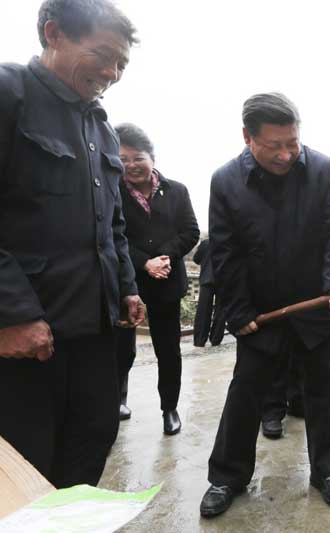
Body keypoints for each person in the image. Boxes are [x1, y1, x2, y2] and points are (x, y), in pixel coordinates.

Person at [0, 0, 144, 488]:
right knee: (25, 461)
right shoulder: (8, 93)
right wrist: (13, 314)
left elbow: (113, 226)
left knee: (93, 438)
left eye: (121, 63)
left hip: (95, 332)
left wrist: (126, 286)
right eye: (102, 54)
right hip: (24, 340)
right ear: (54, 32)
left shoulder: (99, 126)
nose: (112, 71)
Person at [200, 93, 330, 517]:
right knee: (246, 392)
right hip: (261, 313)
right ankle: (227, 476)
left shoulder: (323, 170)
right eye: (275, 146)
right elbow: (226, 252)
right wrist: (238, 311)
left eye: (293, 143)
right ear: (248, 138)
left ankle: (327, 470)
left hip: (317, 306)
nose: (288, 154)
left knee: (323, 391)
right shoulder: (226, 180)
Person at [114, 123, 199, 433]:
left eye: (138, 157)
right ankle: (117, 402)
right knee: (122, 348)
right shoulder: (112, 190)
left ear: (152, 157)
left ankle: (169, 409)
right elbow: (113, 235)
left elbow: (189, 231)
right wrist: (143, 262)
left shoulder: (176, 190)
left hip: (166, 281)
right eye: (123, 159)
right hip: (127, 283)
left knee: (168, 349)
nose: (131, 165)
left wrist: (164, 257)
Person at [193, 239, 226, 348]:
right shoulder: (227, 243)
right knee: (221, 311)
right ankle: (216, 339)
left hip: (207, 279)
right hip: (223, 280)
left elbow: (196, 259)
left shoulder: (205, 243)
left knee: (203, 310)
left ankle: (199, 340)